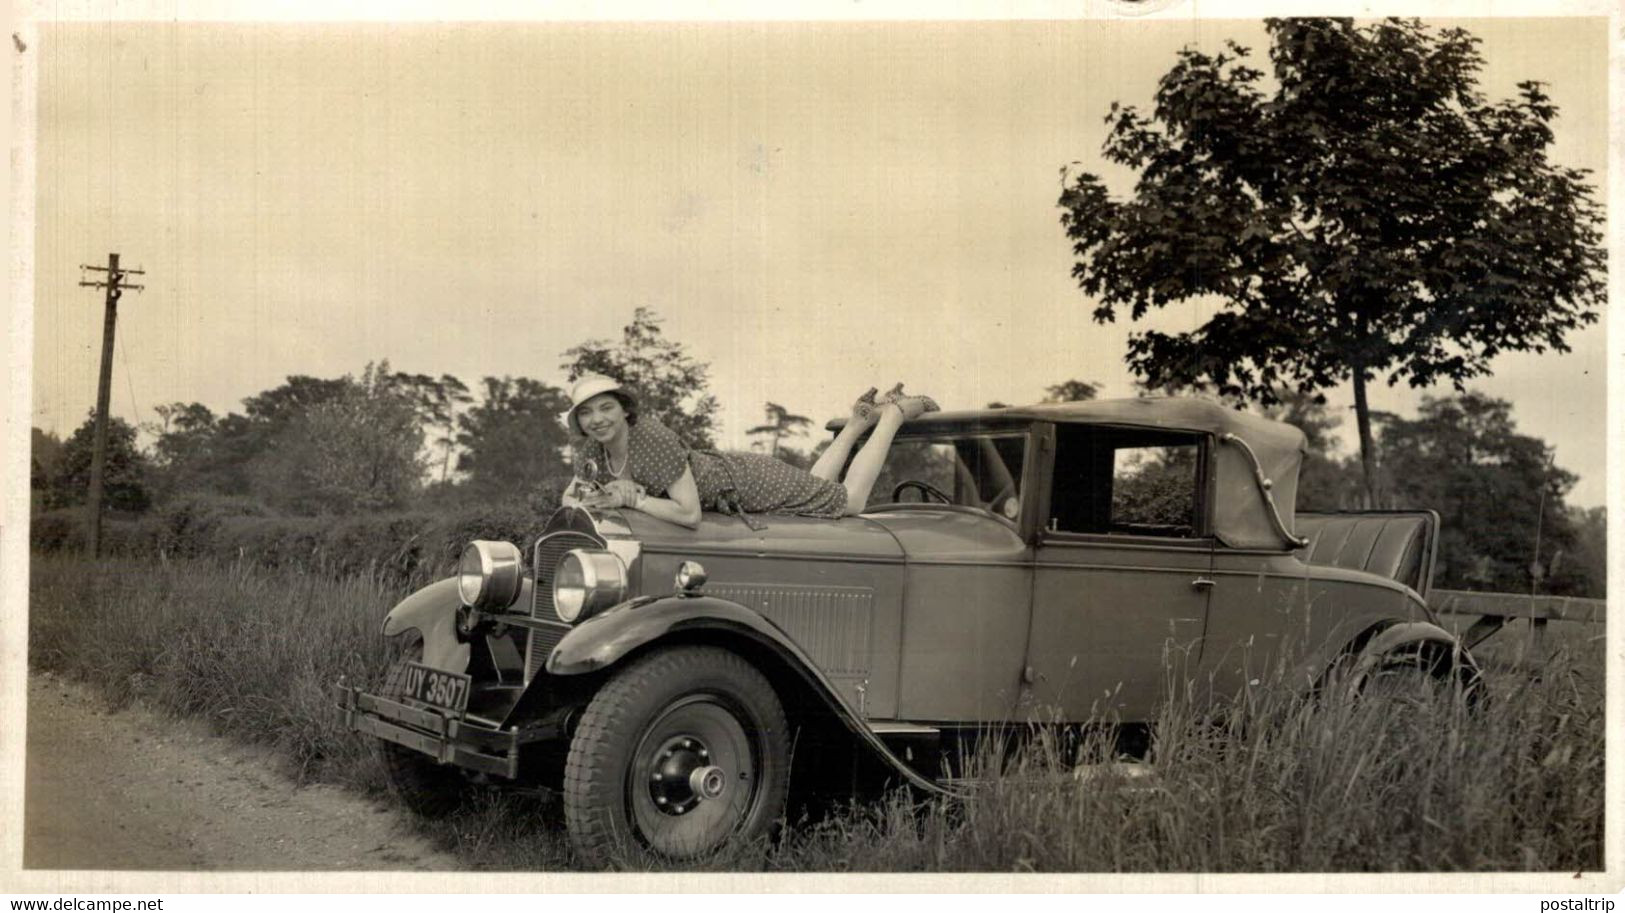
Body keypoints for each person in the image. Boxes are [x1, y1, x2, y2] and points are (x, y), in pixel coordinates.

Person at [560, 374, 938, 529]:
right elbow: (570, 499)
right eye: (587, 413)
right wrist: (608, 496)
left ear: (625, 409)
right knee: (813, 489)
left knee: (849, 501)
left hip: (744, 482)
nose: (597, 419)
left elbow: (689, 514)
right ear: (579, 422)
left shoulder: (652, 439)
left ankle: (891, 416)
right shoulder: (592, 448)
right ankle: (857, 423)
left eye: (606, 408)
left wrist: (634, 501)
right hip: (729, 475)